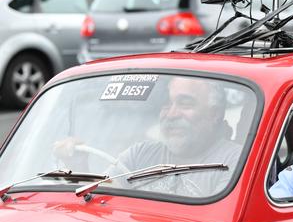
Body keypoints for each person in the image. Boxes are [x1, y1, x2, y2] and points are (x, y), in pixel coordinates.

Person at [54, 77, 241, 197]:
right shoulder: (140, 155)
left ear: (214, 113)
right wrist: (78, 166)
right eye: (167, 104)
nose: (171, 114)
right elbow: (102, 197)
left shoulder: (234, 161)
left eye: (185, 104)